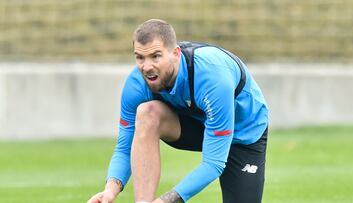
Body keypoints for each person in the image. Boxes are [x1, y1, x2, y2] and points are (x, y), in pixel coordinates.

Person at [87, 19, 268, 203]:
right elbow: (125, 147)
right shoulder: (137, 84)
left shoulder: (213, 79)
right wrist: (109, 191)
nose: (146, 67)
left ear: (175, 53)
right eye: (140, 57)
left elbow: (213, 164)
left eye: (155, 56)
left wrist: (165, 201)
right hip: (196, 124)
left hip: (244, 134)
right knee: (147, 113)